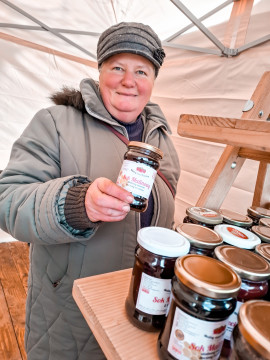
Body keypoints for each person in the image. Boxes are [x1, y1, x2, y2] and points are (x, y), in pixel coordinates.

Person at [0, 22, 180, 359]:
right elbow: (7, 200)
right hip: (68, 314)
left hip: (142, 309)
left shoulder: (162, 140)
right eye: (117, 67)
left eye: (142, 70)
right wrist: (75, 204)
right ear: (100, 72)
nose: (129, 80)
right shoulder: (55, 122)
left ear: (153, 81)